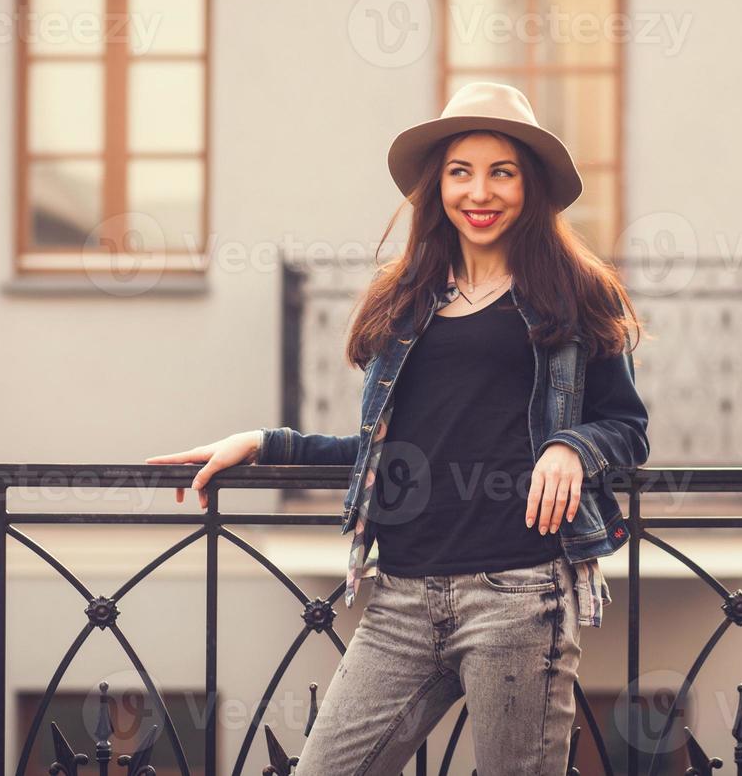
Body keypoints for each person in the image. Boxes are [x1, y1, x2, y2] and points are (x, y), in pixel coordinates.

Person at [146, 80, 650, 775]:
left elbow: (626, 425)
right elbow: (391, 451)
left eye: (502, 172)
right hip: (403, 597)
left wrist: (573, 446)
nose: (481, 192)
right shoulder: (407, 300)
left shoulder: (574, 293)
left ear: (529, 187)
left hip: (520, 596)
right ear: (436, 187)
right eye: (460, 172)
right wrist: (265, 444)